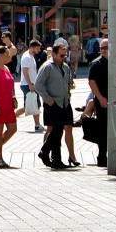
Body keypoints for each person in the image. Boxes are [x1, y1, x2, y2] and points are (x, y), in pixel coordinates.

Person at [34, 42, 73, 170]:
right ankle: (44, 151)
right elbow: (38, 85)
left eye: (65, 55)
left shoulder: (65, 67)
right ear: (54, 54)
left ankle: (56, 160)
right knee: (56, 130)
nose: (64, 58)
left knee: (58, 131)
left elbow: (68, 82)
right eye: (61, 55)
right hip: (53, 103)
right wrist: (48, 99)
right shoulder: (47, 67)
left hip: (64, 103)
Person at [87, 38, 109, 167]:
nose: (103, 50)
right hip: (103, 101)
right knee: (103, 129)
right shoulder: (96, 64)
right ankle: (102, 157)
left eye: (106, 48)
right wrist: (100, 98)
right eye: (101, 48)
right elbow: (91, 82)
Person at [16, 40, 44, 132]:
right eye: (37, 48)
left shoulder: (30, 56)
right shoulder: (27, 57)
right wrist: (30, 84)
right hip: (28, 85)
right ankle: (37, 125)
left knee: (30, 106)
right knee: (34, 105)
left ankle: (11, 118)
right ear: (32, 47)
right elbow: (25, 71)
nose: (39, 50)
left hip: (30, 84)